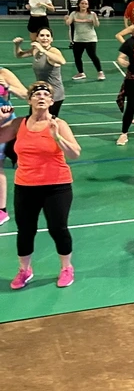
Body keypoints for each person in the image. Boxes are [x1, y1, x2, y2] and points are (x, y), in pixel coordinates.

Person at [0, 82, 81, 289]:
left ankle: (66, 268)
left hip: (57, 186)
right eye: (37, 95)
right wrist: (1, 119)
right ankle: (24, 270)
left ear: (51, 101)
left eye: (46, 94)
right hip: (26, 186)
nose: (41, 97)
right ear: (30, 100)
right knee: (25, 230)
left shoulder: (59, 124)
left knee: (58, 228)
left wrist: (57, 137)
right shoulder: (19, 124)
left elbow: (74, 153)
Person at [0, 64, 29, 226]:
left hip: (3, 124)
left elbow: (26, 94)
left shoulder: (3, 73)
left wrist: (7, 87)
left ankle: (1, 210)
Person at [13, 29, 67, 116]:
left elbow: (62, 61)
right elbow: (19, 55)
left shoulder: (53, 51)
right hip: (40, 91)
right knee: (33, 117)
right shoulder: (36, 50)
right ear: (37, 38)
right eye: (42, 35)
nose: (45, 38)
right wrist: (17, 45)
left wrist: (43, 50)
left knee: (47, 120)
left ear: (51, 39)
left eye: (48, 36)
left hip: (54, 94)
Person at [66, 0, 105, 81]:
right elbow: (68, 23)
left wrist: (95, 19)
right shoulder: (74, 13)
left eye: (86, 4)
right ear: (79, 4)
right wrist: (67, 19)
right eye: (82, 3)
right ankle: (81, 73)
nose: (84, 5)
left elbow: (97, 25)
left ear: (88, 6)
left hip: (90, 39)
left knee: (93, 56)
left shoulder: (92, 14)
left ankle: (100, 72)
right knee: (77, 57)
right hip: (78, 39)